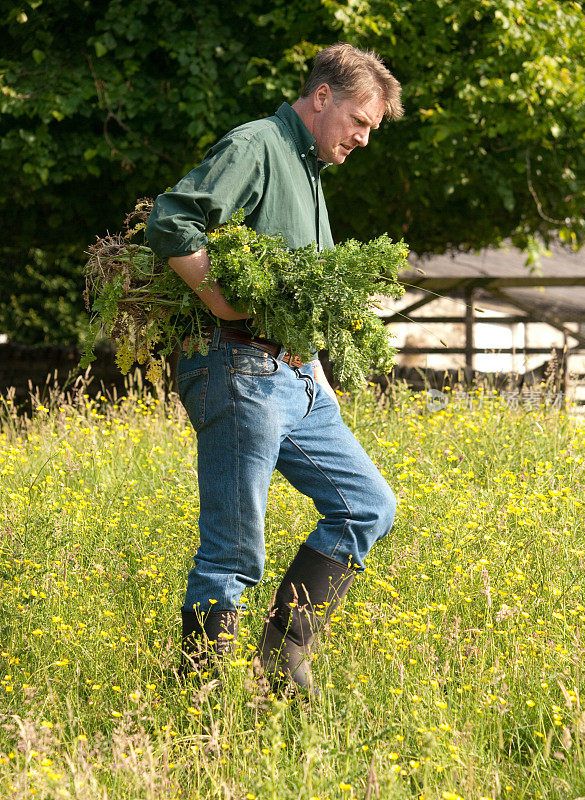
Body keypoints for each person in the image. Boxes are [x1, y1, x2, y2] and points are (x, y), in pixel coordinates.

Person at [145, 43, 403, 696]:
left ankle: (280, 661)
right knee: (233, 554)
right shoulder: (257, 145)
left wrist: (315, 370)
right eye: (361, 122)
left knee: (366, 506)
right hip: (239, 368)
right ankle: (196, 708)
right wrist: (221, 302)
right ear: (323, 98)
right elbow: (172, 221)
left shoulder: (307, 167)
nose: (364, 139)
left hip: (298, 379)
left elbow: (301, 289)